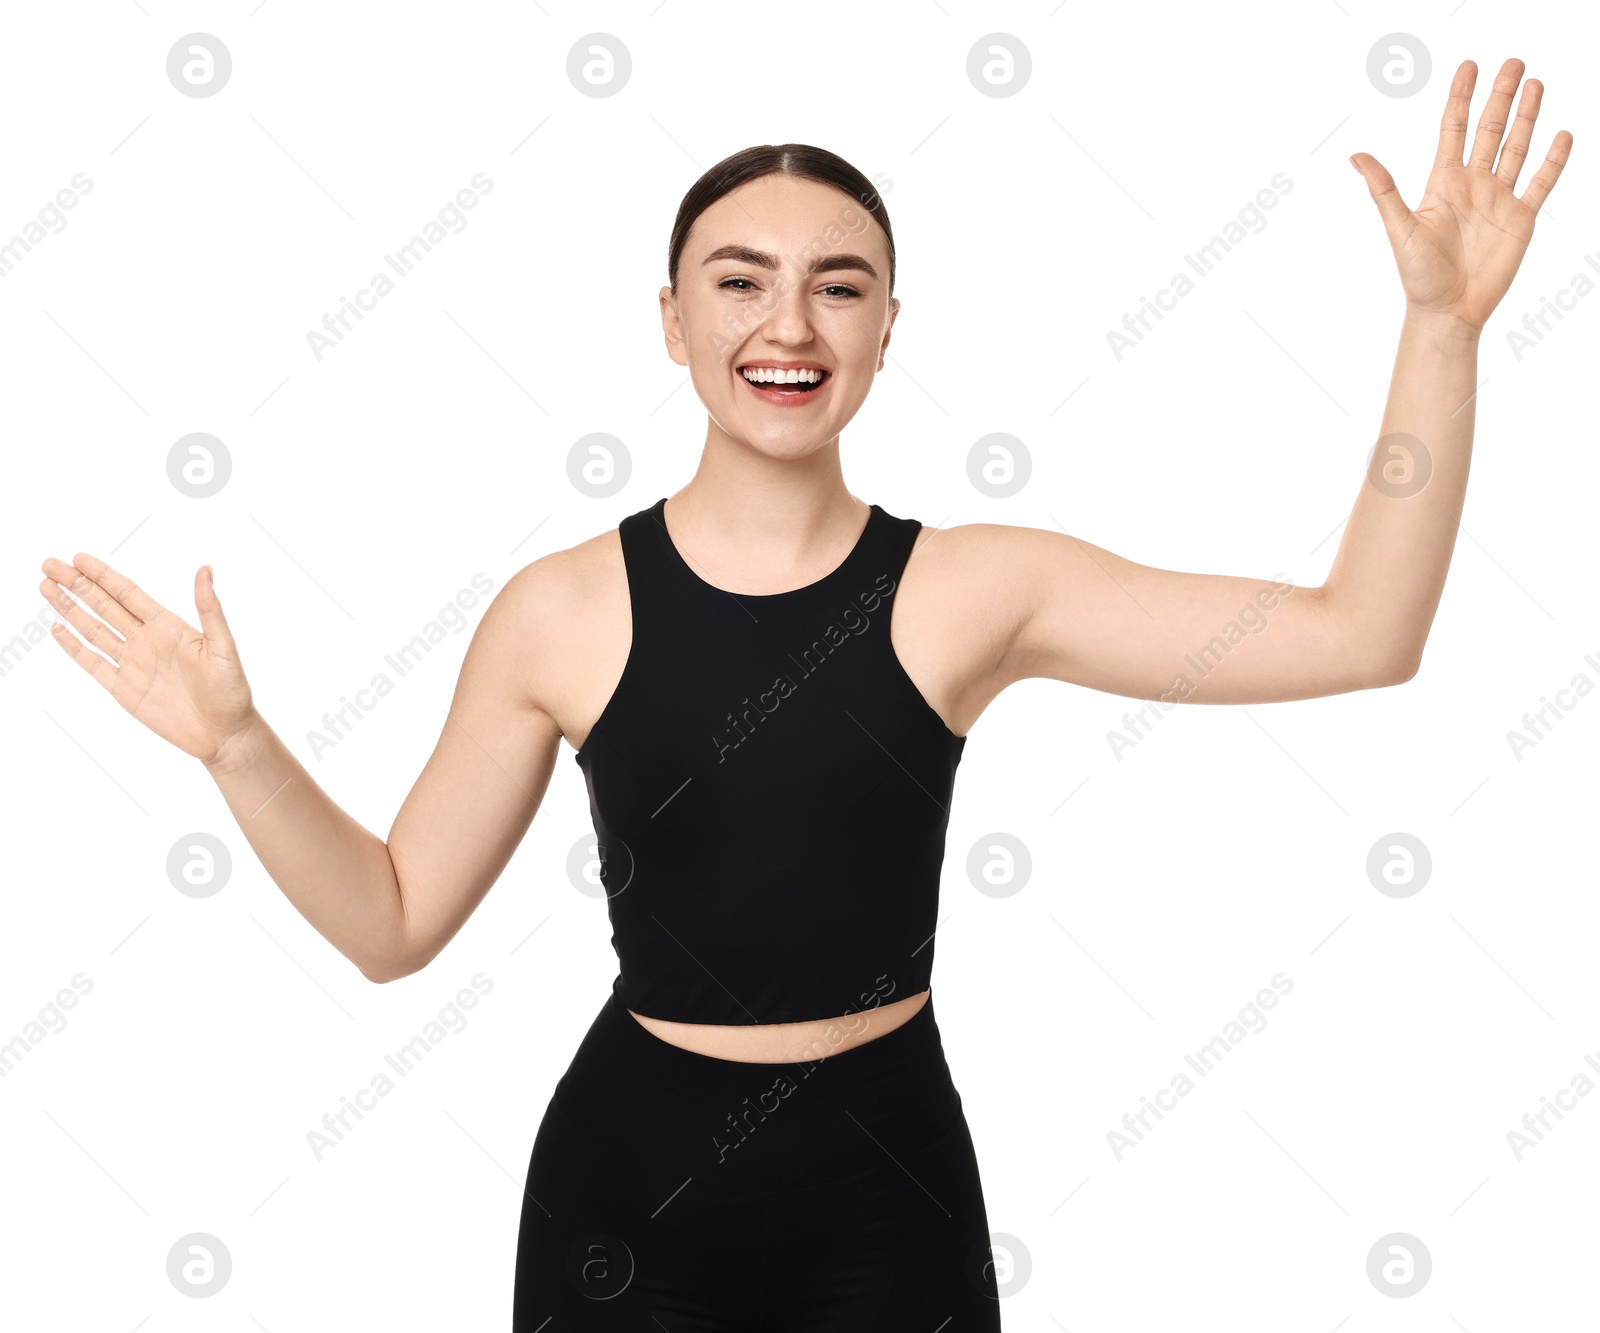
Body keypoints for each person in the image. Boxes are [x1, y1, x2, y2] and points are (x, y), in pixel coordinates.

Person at [38, 56, 1569, 1331]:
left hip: (887, 1188)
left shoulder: (974, 588)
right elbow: (389, 919)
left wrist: (1440, 331)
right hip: (626, 1200)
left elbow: (1362, 632)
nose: (790, 326)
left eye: (841, 289)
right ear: (673, 321)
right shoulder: (558, 609)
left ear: (887, 333)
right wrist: (237, 745)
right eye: (741, 282)